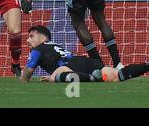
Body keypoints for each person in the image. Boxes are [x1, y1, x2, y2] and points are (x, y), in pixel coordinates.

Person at [20, 25, 149, 83]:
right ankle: (146, 66)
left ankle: (91, 78)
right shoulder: (53, 46)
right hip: (86, 61)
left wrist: (22, 80)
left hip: (70, 66)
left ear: (44, 38)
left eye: (31, 36)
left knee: (56, 76)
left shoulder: (38, 49)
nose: (27, 40)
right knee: (116, 76)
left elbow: (27, 73)